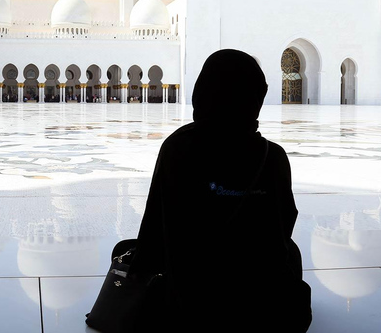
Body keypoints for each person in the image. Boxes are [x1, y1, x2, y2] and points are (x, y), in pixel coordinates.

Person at [131, 49, 312, 332]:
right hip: (270, 313)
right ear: (256, 96)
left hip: (192, 309)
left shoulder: (178, 148)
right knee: (292, 253)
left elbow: (156, 227)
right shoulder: (273, 156)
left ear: (203, 92)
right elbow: (285, 222)